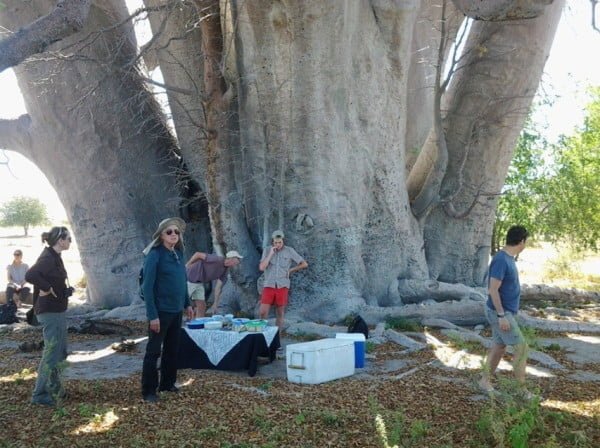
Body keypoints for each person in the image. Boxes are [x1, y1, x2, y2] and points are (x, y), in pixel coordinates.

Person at [140, 217, 194, 403]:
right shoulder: (155, 255)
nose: (173, 235)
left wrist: (187, 303)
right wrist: (152, 315)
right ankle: (148, 391)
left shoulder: (178, 254)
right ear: (161, 235)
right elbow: (147, 287)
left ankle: (167, 383)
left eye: (176, 232)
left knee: (172, 349)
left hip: (176, 310)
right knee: (153, 351)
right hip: (160, 311)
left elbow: (182, 282)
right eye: (169, 232)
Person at [479, 225, 532, 397]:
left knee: (499, 346)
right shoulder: (502, 259)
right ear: (521, 241)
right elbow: (493, 290)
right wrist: (502, 316)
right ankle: (521, 391)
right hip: (500, 313)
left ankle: (484, 382)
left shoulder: (509, 258)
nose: (525, 245)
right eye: (526, 241)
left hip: (504, 312)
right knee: (521, 348)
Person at [25, 227, 73, 406]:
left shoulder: (54, 256)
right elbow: (30, 274)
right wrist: (46, 288)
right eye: (68, 238)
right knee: (51, 353)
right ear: (60, 240)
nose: (70, 242)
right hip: (50, 312)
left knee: (60, 352)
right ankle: (39, 394)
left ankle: (54, 387)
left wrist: (62, 290)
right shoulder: (47, 258)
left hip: (57, 310)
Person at [259, 230, 308, 334]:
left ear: (283, 241)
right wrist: (271, 254)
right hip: (269, 285)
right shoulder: (267, 250)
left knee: (280, 313)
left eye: (280, 242)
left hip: (283, 285)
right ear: (272, 242)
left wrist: (291, 270)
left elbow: (304, 264)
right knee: (263, 312)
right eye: (276, 242)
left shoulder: (289, 251)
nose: (278, 245)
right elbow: (262, 267)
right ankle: (261, 337)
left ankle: (277, 338)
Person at [186, 250, 243, 318]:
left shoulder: (225, 271)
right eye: (237, 260)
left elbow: (218, 288)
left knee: (202, 305)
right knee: (181, 301)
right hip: (189, 279)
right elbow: (198, 254)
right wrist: (188, 264)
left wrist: (215, 304)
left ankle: (199, 324)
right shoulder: (217, 260)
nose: (237, 263)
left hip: (199, 283)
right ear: (231, 259)